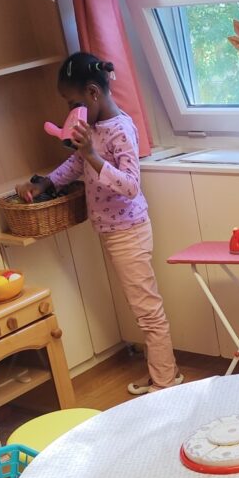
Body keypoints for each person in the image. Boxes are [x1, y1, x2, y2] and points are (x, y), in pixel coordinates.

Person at [17, 52, 181, 395]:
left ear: (93, 93)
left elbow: (131, 185)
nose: (69, 112)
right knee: (141, 307)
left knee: (147, 310)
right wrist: (47, 182)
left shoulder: (119, 130)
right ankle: (162, 374)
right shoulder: (93, 128)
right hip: (113, 231)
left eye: (72, 103)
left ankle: (166, 384)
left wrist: (92, 155)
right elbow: (77, 165)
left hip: (129, 232)